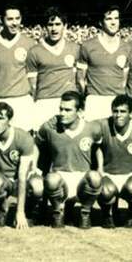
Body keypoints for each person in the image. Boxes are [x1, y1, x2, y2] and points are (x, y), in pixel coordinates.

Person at [35, 91, 105, 229]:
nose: (62, 113)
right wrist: (34, 167)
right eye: (61, 109)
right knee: (51, 178)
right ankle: (58, 212)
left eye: (68, 110)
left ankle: (85, 213)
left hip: (81, 180)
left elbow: (98, 147)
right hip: (61, 178)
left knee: (95, 177)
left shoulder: (92, 128)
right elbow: (36, 144)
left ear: (79, 111)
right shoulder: (50, 127)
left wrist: (100, 168)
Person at [95, 95, 132, 229]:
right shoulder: (103, 125)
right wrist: (100, 168)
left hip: (131, 174)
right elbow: (97, 146)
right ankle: (107, 214)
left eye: (122, 111)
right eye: (115, 111)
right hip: (110, 173)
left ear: (131, 113)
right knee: (106, 191)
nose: (118, 115)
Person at [0, 102, 41, 229]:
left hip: (20, 179)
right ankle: (0, 210)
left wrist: (19, 212)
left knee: (38, 186)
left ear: (10, 120)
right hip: (2, 180)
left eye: (1, 118)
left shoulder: (23, 137)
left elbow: (22, 175)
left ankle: (27, 212)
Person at [0, 5, 38, 131]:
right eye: (10, 19)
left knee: (23, 143)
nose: (14, 23)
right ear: (1, 20)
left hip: (22, 100)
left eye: (17, 18)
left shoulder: (29, 43)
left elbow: (33, 76)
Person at [26, 8, 79, 129]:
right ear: (45, 27)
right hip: (45, 102)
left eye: (58, 24)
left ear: (65, 26)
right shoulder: (35, 51)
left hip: (68, 102)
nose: (54, 29)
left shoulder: (75, 48)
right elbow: (32, 86)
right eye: (50, 25)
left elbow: (78, 79)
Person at [77, 6, 132, 122]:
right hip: (96, 101)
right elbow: (80, 78)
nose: (113, 22)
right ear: (100, 22)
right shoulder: (88, 46)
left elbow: (124, 80)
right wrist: (88, 97)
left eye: (116, 18)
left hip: (117, 102)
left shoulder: (126, 47)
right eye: (109, 19)